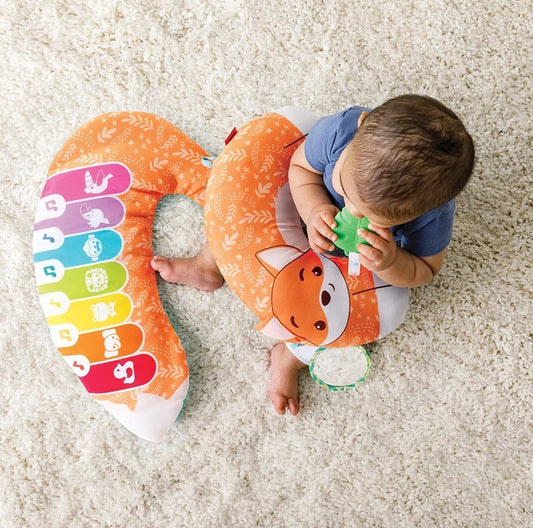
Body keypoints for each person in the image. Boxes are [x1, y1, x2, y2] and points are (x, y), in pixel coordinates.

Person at [152, 94, 475, 416]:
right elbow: (301, 168)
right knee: (242, 216)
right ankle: (208, 264)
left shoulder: (433, 216)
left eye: (374, 217)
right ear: (360, 128)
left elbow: (425, 269)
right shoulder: (341, 131)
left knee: (349, 321)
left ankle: (291, 356)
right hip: (306, 208)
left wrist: (390, 262)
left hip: (358, 265)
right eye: (347, 191)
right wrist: (314, 208)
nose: (352, 212)